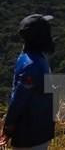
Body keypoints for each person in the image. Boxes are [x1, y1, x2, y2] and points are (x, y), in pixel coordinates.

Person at [1, 14, 56, 150]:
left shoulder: (29, 59)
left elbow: (17, 100)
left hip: (31, 131)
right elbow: (20, 100)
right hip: (34, 132)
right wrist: (9, 127)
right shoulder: (34, 63)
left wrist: (8, 126)